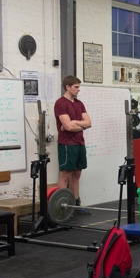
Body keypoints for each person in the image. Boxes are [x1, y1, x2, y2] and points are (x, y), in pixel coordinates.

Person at [54, 75, 92, 214]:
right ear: (67, 87)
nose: (78, 89)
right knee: (65, 174)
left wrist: (75, 122)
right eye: (76, 87)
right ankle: (61, 206)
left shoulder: (79, 103)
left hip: (79, 142)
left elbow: (89, 123)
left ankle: (75, 204)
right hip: (67, 144)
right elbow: (68, 127)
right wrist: (78, 125)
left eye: (79, 87)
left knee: (77, 173)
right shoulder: (60, 103)